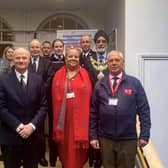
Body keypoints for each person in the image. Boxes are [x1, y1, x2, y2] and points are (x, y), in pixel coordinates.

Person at [89, 50, 151, 168]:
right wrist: (93, 136)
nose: (114, 63)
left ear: (123, 63)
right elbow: (93, 112)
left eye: (117, 60)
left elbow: (144, 110)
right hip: (105, 138)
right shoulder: (99, 84)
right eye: (111, 60)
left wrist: (144, 134)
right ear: (107, 63)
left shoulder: (134, 83)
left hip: (128, 138)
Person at [0, 48, 48, 168]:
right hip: (10, 136)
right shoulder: (2, 80)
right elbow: (1, 108)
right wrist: (19, 126)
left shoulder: (38, 80)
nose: (21, 60)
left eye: (24, 58)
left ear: (29, 60)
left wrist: (31, 126)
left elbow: (43, 106)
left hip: (33, 136)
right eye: (18, 58)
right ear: (13, 60)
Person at [52, 47, 92, 168]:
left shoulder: (84, 74)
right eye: (70, 56)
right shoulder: (58, 74)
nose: (73, 59)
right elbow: (54, 96)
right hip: (64, 120)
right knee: (66, 146)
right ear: (65, 58)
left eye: (76, 56)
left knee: (78, 150)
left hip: (81, 120)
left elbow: (89, 95)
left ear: (79, 59)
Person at [28, 39, 52, 167]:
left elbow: (49, 80)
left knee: (40, 131)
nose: (35, 50)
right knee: (27, 128)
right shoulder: (25, 61)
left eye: (37, 47)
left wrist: (36, 90)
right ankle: (28, 156)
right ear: (29, 49)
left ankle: (41, 156)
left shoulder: (47, 63)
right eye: (32, 47)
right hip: (26, 102)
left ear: (40, 49)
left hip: (41, 101)